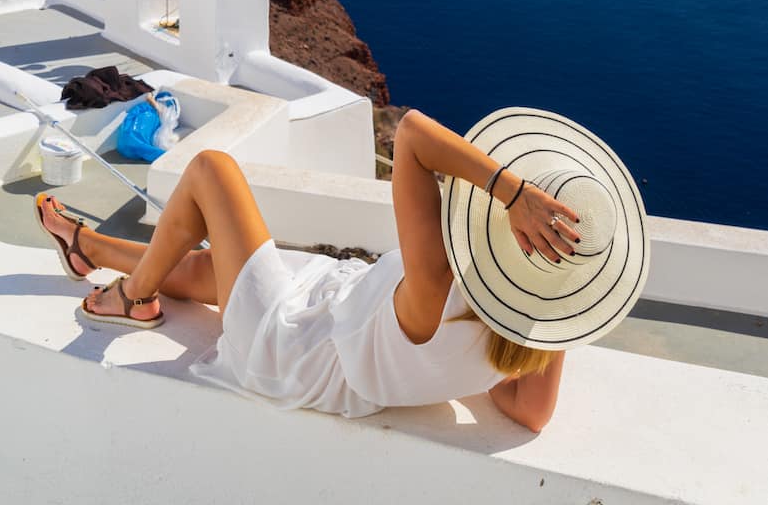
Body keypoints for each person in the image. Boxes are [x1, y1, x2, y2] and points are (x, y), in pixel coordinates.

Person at [35, 106, 649, 428]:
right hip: (337, 312)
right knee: (210, 270)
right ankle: (90, 247)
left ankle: (130, 298)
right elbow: (532, 413)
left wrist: (512, 191)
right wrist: (555, 299)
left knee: (212, 171)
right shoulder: (521, 345)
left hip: (295, 347)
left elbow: (411, 134)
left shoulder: (436, 285)